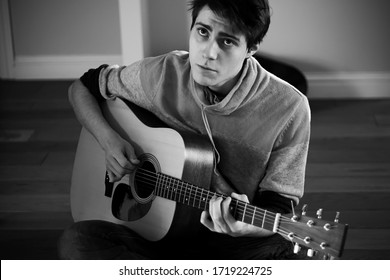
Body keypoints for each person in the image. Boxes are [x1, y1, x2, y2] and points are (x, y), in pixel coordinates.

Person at [58, 0, 311, 259]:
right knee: (77, 241)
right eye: (202, 32)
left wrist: (247, 227)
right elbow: (82, 87)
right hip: (150, 230)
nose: (207, 53)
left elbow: (280, 206)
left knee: (282, 251)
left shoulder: (289, 107)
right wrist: (107, 139)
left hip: (227, 242)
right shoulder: (162, 74)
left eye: (227, 42)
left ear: (252, 47)